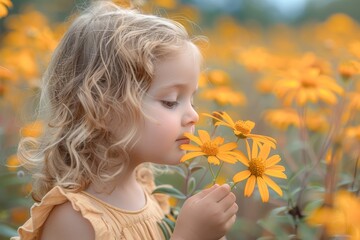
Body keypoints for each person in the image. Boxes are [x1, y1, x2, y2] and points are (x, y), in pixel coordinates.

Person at [11, 1, 238, 239]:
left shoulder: (149, 190)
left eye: (192, 99)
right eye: (171, 101)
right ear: (102, 108)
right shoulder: (74, 219)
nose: (194, 115)